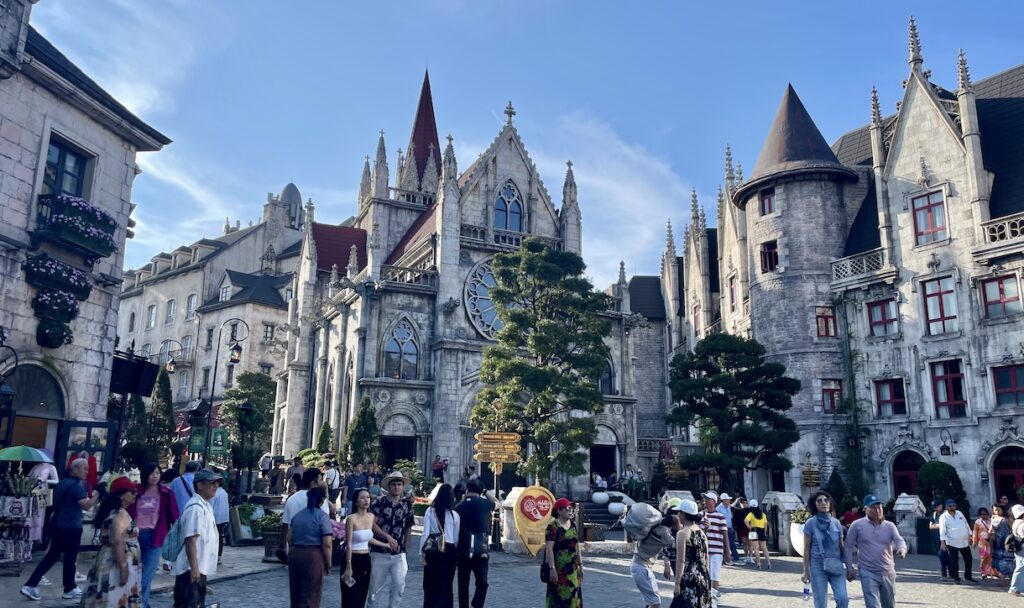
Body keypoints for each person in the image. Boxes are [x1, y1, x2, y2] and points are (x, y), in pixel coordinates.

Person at [21, 458, 99, 601]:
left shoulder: (62, 483)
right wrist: (97, 496)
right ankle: (69, 588)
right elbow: (86, 505)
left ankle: (31, 584)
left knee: (52, 556)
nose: (87, 472)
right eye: (84, 468)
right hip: (71, 527)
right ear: (74, 469)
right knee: (69, 558)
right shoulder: (76, 486)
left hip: (58, 524)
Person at [80, 476, 141, 608]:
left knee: (103, 596)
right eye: (132, 491)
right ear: (122, 495)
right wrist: (123, 567)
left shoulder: (110, 512)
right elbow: (117, 541)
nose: (135, 494)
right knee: (115, 596)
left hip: (105, 559)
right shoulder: (121, 515)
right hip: (117, 562)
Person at [126, 462, 180, 608]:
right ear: (145, 475)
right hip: (134, 537)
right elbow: (127, 511)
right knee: (133, 575)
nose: (155, 476)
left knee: (146, 577)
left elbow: (175, 517)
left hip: (154, 537)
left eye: (157, 473)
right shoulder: (136, 491)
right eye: (151, 473)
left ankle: (141, 605)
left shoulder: (166, 493)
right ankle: (143, 604)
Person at [844, 494, 907, 608]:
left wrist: (902, 549)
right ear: (865, 509)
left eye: (879, 507)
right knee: (872, 605)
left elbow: (899, 540)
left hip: (888, 571)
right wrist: (849, 568)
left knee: (889, 605)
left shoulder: (889, 526)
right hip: (868, 571)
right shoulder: (857, 525)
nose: (877, 510)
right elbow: (848, 547)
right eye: (873, 507)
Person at [171, 469, 222, 608]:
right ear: (200, 485)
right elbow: (190, 540)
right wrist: (194, 569)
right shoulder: (196, 508)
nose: (215, 486)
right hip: (190, 569)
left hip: (198, 568)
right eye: (212, 483)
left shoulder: (205, 506)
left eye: (217, 483)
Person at [368, 470, 415, 608]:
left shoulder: (407, 505)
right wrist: (386, 537)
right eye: (393, 484)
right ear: (389, 486)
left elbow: (408, 527)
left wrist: (406, 548)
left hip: (398, 553)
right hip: (379, 551)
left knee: (399, 585)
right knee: (375, 589)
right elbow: (372, 523)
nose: (396, 487)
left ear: (403, 486)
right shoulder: (379, 502)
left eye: (399, 484)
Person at [343, 488, 394, 608]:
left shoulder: (371, 517)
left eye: (368, 497)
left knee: (362, 594)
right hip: (352, 558)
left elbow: (367, 538)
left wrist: (385, 544)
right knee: (350, 596)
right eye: (362, 497)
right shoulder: (351, 519)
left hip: (365, 558)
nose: (366, 500)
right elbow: (349, 542)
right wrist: (348, 566)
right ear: (356, 502)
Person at [285, 486, 333, 608]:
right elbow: (327, 543)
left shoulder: (298, 516)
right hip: (313, 556)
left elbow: (289, 538)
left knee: (296, 592)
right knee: (311, 593)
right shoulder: (322, 517)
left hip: (295, 554)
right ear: (322, 500)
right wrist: (329, 562)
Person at [801, 491, 849, 608]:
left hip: (836, 564)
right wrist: (806, 571)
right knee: (821, 602)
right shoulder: (810, 523)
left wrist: (849, 566)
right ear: (814, 504)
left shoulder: (836, 523)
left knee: (843, 599)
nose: (824, 503)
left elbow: (841, 547)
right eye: (819, 501)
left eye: (826, 500)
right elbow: (806, 549)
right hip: (817, 565)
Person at [455, 479, 498, 608]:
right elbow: (498, 503)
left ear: (467, 490)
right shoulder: (484, 503)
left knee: (463, 583)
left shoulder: (458, 506)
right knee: (482, 582)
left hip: (463, 549)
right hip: (481, 550)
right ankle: (477, 603)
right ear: (480, 491)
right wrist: (485, 492)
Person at [420, 483, 460, 608]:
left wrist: (421, 553)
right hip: (450, 551)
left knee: (431, 585)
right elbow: (456, 538)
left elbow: (425, 533)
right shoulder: (455, 515)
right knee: (446, 585)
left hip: (433, 550)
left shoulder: (430, 511)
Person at [671, 499, 712, 608]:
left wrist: (677, 584)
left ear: (683, 514)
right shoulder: (702, 532)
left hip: (689, 579)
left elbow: (681, 560)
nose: (677, 514)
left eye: (679, 512)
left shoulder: (682, 533)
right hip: (703, 578)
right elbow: (706, 558)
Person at [283, 468, 332, 556]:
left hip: (294, 550)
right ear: (313, 483)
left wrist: (284, 546)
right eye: (320, 480)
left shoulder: (291, 499)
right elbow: (325, 526)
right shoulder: (321, 501)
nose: (322, 483)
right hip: (315, 551)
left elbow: (285, 526)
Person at [544, 497, 582, 608]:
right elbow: (549, 549)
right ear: (559, 511)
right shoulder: (552, 526)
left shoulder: (573, 524)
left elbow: (577, 546)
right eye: (568, 508)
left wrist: (581, 565)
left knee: (574, 597)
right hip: (559, 568)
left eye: (572, 508)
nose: (571, 511)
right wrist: (552, 569)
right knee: (558, 598)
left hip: (573, 569)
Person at [632, 512, 675, 608]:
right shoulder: (664, 532)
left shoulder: (655, 525)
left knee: (650, 602)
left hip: (640, 565)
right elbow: (675, 544)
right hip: (641, 567)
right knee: (655, 603)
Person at [700, 491, 731, 605]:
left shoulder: (720, 516)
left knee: (714, 576)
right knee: (705, 575)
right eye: (705, 499)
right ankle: (706, 598)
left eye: (707, 499)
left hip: (717, 550)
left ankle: (714, 601)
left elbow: (725, 534)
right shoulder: (701, 515)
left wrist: (728, 551)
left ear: (713, 501)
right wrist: (705, 529)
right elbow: (698, 533)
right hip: (704, 550)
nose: (705, 501)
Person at [938, 498, 975, 584]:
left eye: (953, 505)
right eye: (950, 506)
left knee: (969, 559)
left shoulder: (959, 513)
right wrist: (942, 542)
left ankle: (968, 576)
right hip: (952, 542)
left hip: (964, 541)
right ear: (946, 507)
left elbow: (966, 524)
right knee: (954, 561)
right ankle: (956, 578)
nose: (952, 507)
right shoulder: (943, 517)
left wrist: (970, 535)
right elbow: (942, 530)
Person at [972, 507, 1001, 581]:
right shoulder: (977, 522)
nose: (983, 515)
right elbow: (975, 532)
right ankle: (983, 572)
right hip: (982, 543)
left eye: (984, 514)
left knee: (992, 557)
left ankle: (993, 572)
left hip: (991, 542)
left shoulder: (991, 521)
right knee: (984, 557)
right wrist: (974, 542)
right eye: (981, 514)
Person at [927, 500, 950, 580]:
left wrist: (936, 525)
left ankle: (951, 573)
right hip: (938, 538)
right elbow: (930, 526)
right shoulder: (934, 515)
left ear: (941, 506)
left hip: (947, 538)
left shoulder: (946, 514)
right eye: (934, 508)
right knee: (941, 556)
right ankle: (944, 573)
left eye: (936, 507)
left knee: (948, 556)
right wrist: (940, 525)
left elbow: (947, 525)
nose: (935, 509)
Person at [743, 499, 769, 570]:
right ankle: (769, 562)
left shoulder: (751, 514)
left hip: (753, 531)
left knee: (756, 548)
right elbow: (766, 525)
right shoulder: (763, 515)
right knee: (764, 548)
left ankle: (758, 563)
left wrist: (749, 527)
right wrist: (765, 532)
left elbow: (745, 521)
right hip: (762, 531)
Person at [993, 504, 1016, 583]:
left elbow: (1013, 529)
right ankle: (1004, 579)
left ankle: (1008, 579)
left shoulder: (1007, 519)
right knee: (1002, 561)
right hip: (1001, 544)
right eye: (995, 509)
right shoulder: (995, 518)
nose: (997, 511)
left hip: (1006, 544)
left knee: (1006, 561)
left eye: (999, 509)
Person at [715, 493, 738, 566]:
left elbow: (730, 517)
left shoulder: (728, 507)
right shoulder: (718, 508)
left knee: (731, 543)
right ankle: (726, 558)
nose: (729, 501)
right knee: (725, 544)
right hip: (722, 529)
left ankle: (735, 557)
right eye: (728, 500)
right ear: (724, 500)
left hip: (729, 528)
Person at [210, 483, 230, 563]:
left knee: (215, 537)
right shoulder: (224, 492)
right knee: (219, 536)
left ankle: (215, 555)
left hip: (215, 517)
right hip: (223, 517)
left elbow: (210, 505)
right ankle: (218, 556)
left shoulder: (214, 492)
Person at [1008, 504, 1024, 597]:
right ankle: (1014, 588)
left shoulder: (1016, 522)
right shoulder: (1021, 523)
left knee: (1020, 567)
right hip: (1022, 547)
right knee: (1021, 567)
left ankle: (1017, 588)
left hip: (1018, 547)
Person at [731, 498, 752, 565]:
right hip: (743, 528)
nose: (744, 504)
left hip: (750, 529)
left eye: (746, 503)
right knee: (745, 543)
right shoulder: (739, 511)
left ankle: (750, 557)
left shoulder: (750, 510)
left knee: (750, 544)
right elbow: (732, 507)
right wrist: (736, 501)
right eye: (743, 503)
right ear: (741, 504)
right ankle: (747, 556)